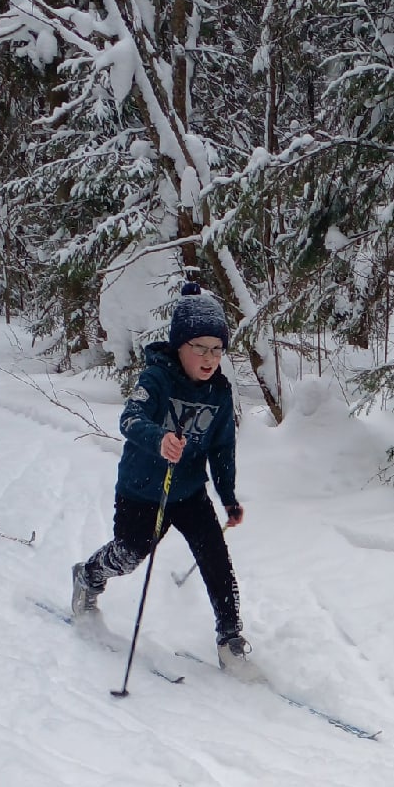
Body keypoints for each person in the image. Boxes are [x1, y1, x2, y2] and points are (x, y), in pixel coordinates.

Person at [72, 281, 255, 673]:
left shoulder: (219, 393)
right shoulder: (156, 378)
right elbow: (130, 419)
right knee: (129, 554)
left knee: (216, 561)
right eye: (200, 348)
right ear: (179, 347)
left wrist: (228, 498)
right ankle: (89, 575)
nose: (209, 358)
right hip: (142, 490)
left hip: (189, 492)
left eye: (217, 349)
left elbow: (222, 449)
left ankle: (230, 637)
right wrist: (159, 440)